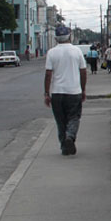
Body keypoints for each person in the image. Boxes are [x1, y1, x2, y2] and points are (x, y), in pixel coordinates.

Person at [44, 25, 87, 155]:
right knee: (74, 117)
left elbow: (48, 75)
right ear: (69, 36)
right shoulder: (77, 51)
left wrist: (46, 93)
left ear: (56, 38)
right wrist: (83, 89)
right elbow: (83, 71)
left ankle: (64, 147)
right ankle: (70, 136)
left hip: (57, 93)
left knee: (60, 121)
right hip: (74, 92)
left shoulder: (51, 52)